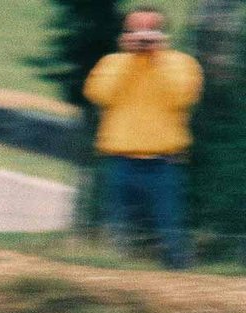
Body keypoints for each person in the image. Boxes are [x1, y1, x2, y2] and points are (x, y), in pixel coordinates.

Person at [83, 6, 203, 269]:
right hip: (120, 162)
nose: (142, 36)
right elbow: (100, 95)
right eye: (135, 30)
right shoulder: (111, 63)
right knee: (117, 232)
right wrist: (130, 60)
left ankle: (176, 275)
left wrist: (156, 60)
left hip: (165, 164)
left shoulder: (182, 64)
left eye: (150, 30)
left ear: (163, 35)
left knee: (170, 231)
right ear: (125, 34)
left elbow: (182, 97)